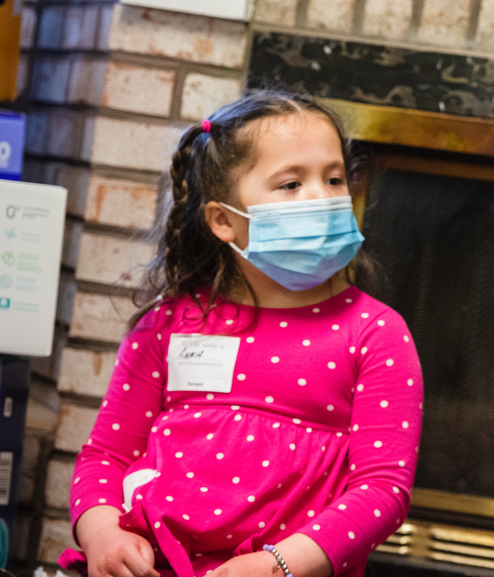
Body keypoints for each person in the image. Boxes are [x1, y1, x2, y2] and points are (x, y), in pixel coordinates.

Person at [59, 91, 424, 577]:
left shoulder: (377, 333)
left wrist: (279, 565)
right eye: (291, 183)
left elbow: (382, 489)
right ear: (224, 221)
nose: (322, 196)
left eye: (334, 178)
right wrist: (103, 532)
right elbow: (105, 456)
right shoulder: (167, 325)